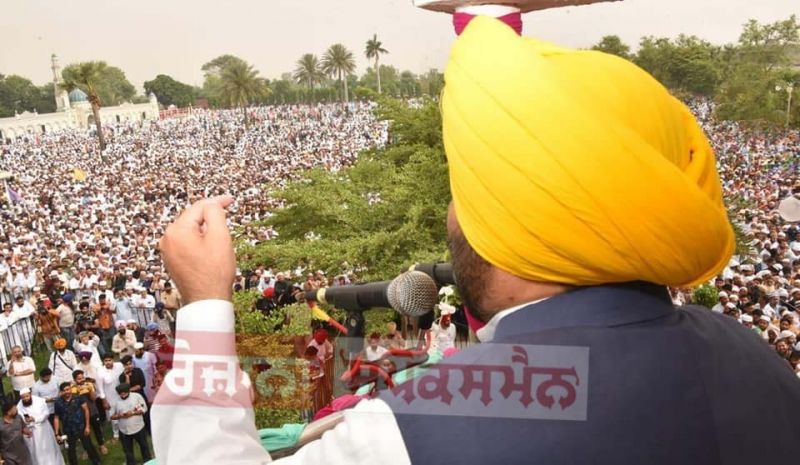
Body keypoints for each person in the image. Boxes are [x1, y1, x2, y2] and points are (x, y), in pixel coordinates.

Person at [151, 16, 800, 465]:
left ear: (515, 221)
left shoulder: (453, 411)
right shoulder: (750, 356)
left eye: (470, 192)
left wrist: (206, 304)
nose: (453, 216)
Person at [53, 381, 101, 465]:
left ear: (71, 389)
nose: (66, 392)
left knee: (89, 446)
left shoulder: (78, 398)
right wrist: (57, 433)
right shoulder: (58, 402)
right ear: (61, 392)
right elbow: (56, 418)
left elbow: (86, 410)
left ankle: (96, 462)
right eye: (64, 390)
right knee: (71, 451)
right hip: (68, 430)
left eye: (68, 389)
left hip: (81, 427)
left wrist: (87, 426)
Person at [16, 389, 64, 465]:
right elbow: (20, 419)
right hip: (32, 432)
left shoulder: (40, 401)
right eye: (23, 397)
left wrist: (35, 418)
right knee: (36, 451)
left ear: (30, 394)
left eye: (27, 396)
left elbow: (46, 413)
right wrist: (27, 421)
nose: (25, 399)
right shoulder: (19, 406)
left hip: (44, 429)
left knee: (48, 448)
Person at [110, 384, 150, 465]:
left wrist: (132, 413)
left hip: (138, 427)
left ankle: (148, 462)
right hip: (124, 430)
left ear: (128, 391)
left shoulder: (137, 396)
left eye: (125, 393)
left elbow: (144, 409)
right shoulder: (115, 401)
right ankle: (131, 463)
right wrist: (119, 416)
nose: (123, 395)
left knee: (144, 446)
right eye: (121, 393)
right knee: (128, 450)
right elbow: (112, 416)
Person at [70, 370, 107, 455]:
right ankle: (87, 449)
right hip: (81, 415)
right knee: (84, 433)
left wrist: (90, 389)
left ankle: (102, 445)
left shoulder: (89, 385)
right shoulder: (72, 389)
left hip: (93, 411)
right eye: (79, 379)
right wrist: (78, 391)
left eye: (83, 377)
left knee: (97, 429)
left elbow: (94, 399)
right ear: (75, 380)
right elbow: (73, 403)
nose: (82, 380)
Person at [96, 354, 124, 442]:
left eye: (109, 360)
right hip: (110, 397)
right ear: (103, 362)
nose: (108, 362)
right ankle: (116, 434)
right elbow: (100, 388)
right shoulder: (100, 372)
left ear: (113, 360)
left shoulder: (119, 366)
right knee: (113, 416)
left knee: (124, 412)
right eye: (106, 361)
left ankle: (126, 430)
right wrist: (104, 401)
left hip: (122, 394)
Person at [0, 399, 32, 465]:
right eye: (14, 408)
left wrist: (27, 431)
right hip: (9, 457)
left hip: (23, 454)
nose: (16, 409)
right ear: (8, 412)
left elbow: (23, 427)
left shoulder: (18, 417)